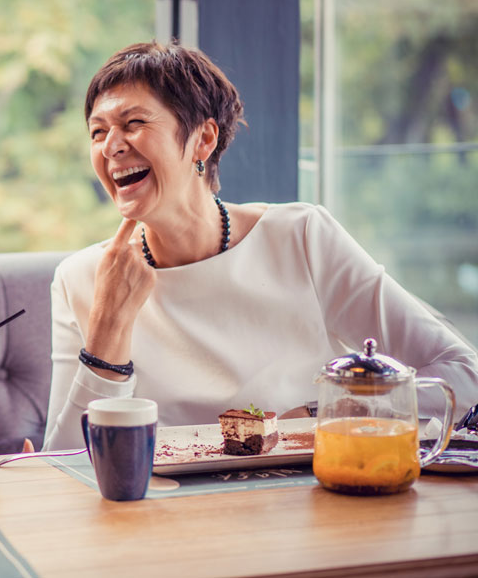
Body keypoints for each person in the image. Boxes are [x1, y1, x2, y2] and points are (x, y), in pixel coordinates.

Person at [43, 40, 478, 449]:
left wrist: (325, 415)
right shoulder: (80, 278)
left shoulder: (302, 237)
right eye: (97, 132)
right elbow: (59, 465)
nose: (111, 147)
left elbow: (462, 373)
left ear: (203, 139)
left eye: (133, 123)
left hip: (311, 501)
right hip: (165, 514)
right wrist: (106, 334)